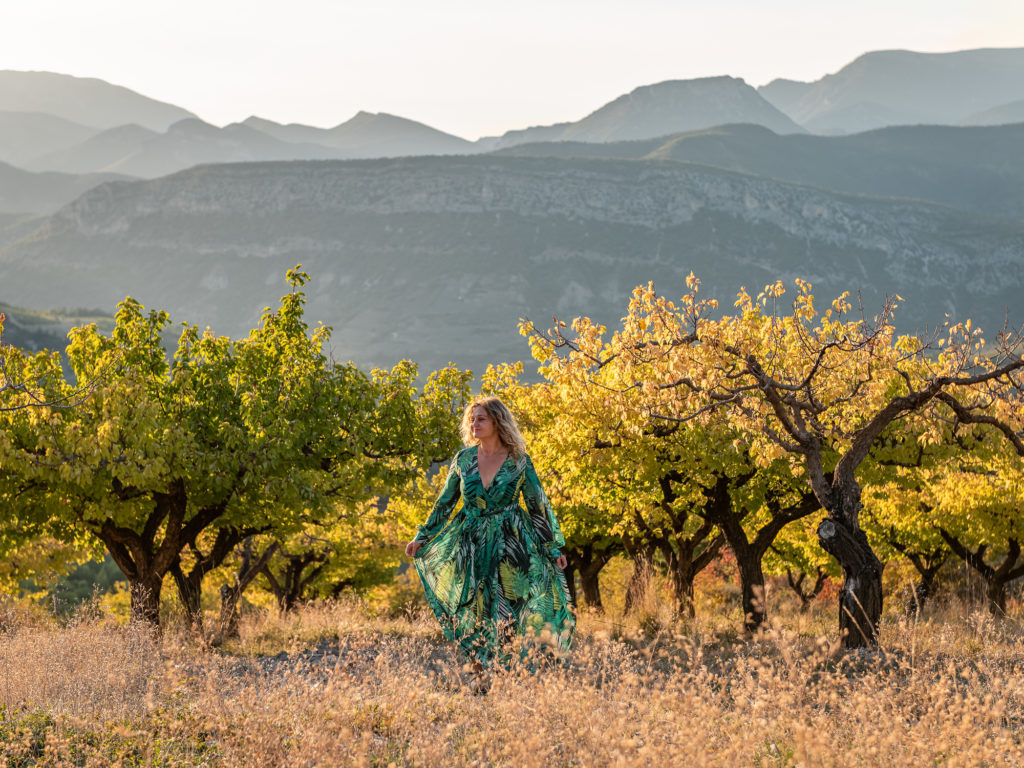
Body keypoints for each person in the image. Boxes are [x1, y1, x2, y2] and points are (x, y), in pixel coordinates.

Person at [405, 396, 575, 691]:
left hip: (512, 542)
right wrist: (423, 536)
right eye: (472, 419)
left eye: (481, 419)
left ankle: (505, 671)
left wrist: (552, 547)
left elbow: (537, 506)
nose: (474, 424)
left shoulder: (519, 460)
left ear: (497, 421)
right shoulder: (463, 460)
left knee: (508, 609)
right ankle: (480, 676)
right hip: (470, 544)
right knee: (474, 611)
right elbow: (445, 503)